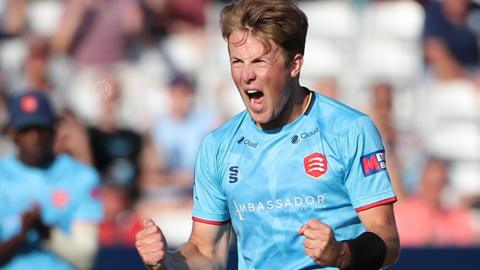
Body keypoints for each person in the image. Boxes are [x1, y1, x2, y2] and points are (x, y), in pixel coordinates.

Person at [135, 1, 400, 269]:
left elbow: (387, 240)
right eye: (237, 61)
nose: (246, 75)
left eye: (259, 61)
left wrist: (341, 253)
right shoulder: (217, 145)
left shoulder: (348, 129)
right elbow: (206, 250)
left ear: (294, 64)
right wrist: (166, 261)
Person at [0, 91, 103, 270]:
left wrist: (46, 232)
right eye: (26, 130)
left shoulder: (80, 177)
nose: (35, 137)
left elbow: (86, 257)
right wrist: (21, 235)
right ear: (13, 134)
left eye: (41, 129)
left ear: (55, 129)